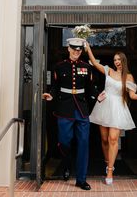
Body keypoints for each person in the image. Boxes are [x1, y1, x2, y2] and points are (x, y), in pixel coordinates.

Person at [85, 42, 137, 185]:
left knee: (113, 138)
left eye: (119, 59)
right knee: (104, 139)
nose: (116, 62)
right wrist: (89, 49)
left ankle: (109, 171)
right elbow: (95, 64)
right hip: (104, 106)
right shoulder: (108, 71)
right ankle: (108, 161)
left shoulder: (129, 77)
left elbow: (132, 95)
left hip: (118, 108)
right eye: (115, 60)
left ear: (123, 61)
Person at [42, 38, 103, 191]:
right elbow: (55, 87)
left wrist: (97, 96)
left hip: (82, 110)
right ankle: (67, 161)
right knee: (64, 141)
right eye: (74, 49)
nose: (77, 52)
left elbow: (90, 87)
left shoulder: (86, 67)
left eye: (79, 50)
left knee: (83, 143)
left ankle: (81, 179)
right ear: (68, 48)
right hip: (64, 109)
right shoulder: (59, 67)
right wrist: (51, 95)